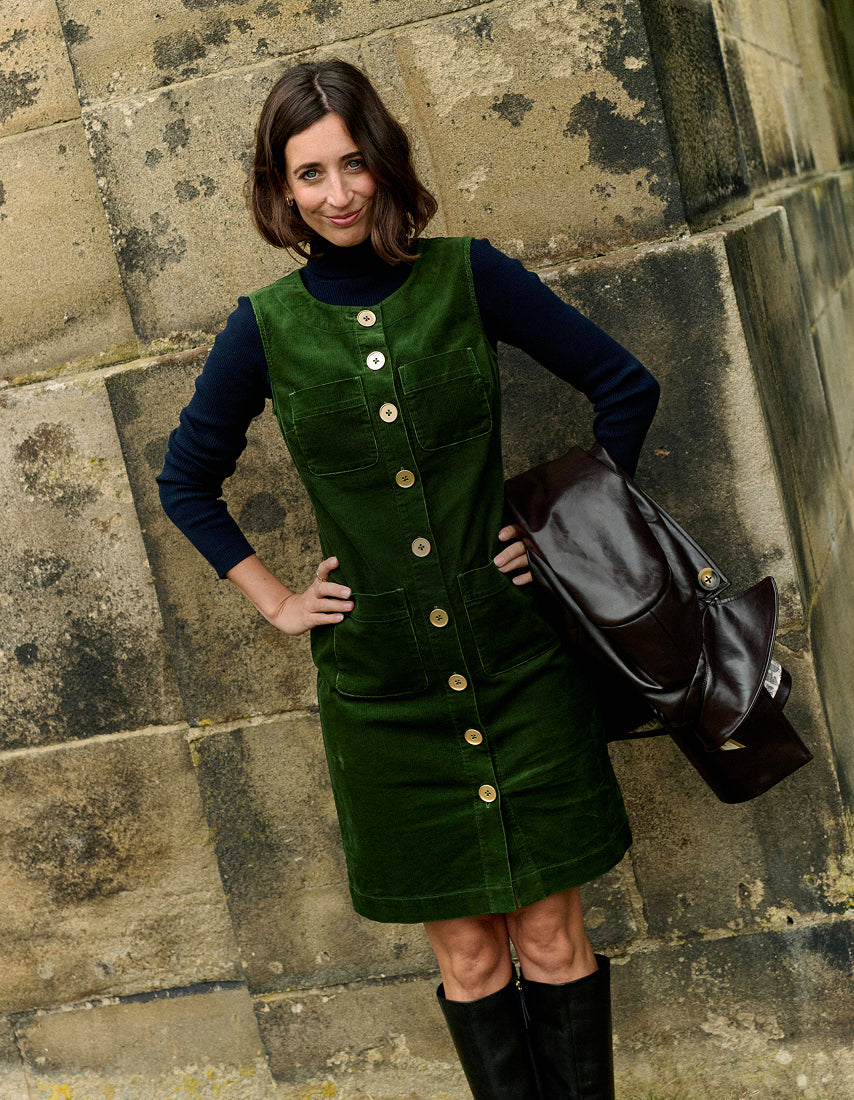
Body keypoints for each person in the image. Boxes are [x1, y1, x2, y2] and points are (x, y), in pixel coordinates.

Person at [158, 58, 660, 1099]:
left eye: (352, 164)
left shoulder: (466, 275)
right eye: (309, 175)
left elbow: (623, 384)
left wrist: (559, 534)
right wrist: (278, 599)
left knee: (551, 934)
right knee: (469, 957)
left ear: (383, 164)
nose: (337, 194)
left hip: (518, 661)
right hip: (383, 693)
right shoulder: (264, 327)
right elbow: (186, 481)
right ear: (279, 190)